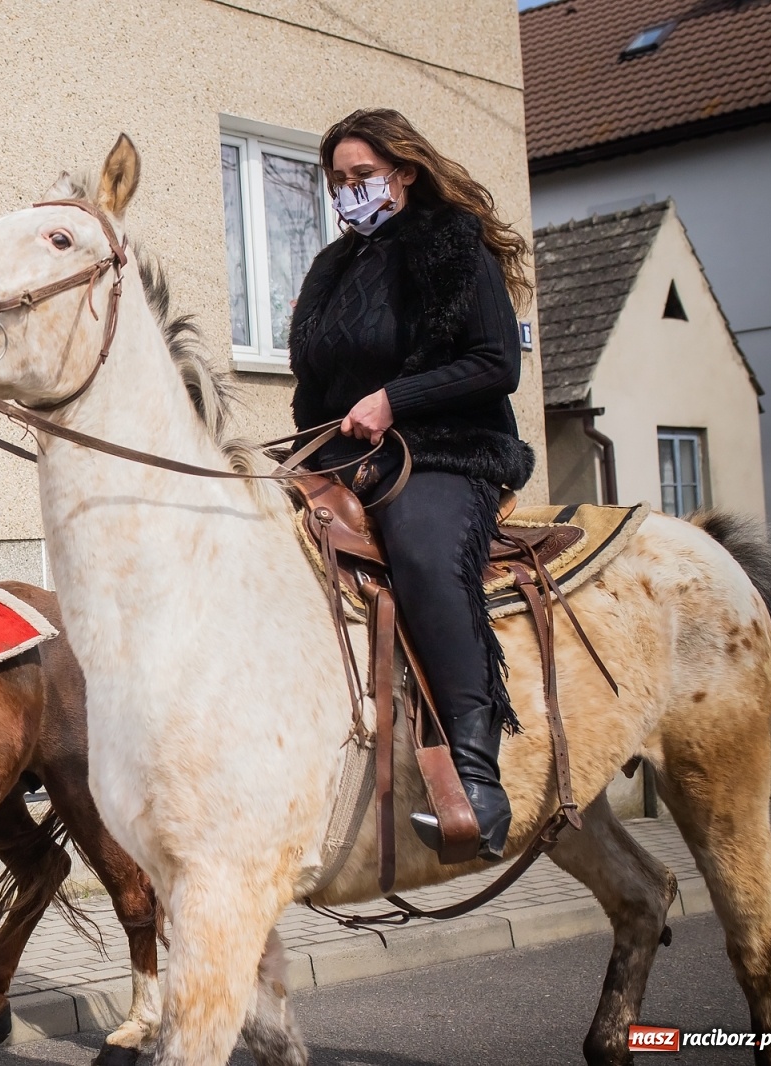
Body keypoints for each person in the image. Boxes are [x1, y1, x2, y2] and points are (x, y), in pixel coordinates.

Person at [288, 109, 535, 863]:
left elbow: (497, 363)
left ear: (405, 172)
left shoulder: (452, 241)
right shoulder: (331, 266)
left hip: (445, 452)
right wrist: (300, 458)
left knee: (423, 554)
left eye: (362, 176)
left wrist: (398, 400)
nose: (349, 192)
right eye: (338, 181)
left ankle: (476, 780)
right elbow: (313, 384)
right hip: (343, 460)